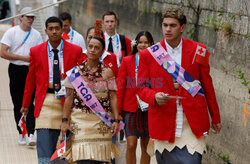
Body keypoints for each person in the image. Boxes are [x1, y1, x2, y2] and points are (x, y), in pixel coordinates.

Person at [137, 7, 222, 164]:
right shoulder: (148, 54)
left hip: (192, 122)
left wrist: (215, 117)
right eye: (165, 25)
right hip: (163, 121)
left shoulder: (199, 51)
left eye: (173, 25)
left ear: (182, 27)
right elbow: (141, 88)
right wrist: (153, 96)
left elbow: (208, 86)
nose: (168, 29)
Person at [20, 16, 83, 163]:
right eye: (51, 29)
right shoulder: (36, 51)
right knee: (43, 140)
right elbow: (30, 80)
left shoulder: (75, 51)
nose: (54, 31)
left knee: (65, 145)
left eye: (57, 28)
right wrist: (25, 104)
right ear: (46, 31)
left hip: (68, 100)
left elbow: (81, 79)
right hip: (45, 101)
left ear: (62, 30)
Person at [61, 35, 119, 164]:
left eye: (96, 48)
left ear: (102, 52)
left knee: (99, 160)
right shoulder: (75, 72)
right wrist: (65, 121)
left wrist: (115, 119)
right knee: (82, 159)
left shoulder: (108, 72)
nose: (92, 50)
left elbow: (113, 97)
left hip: (101, 122)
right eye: (90, 46)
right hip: (80, 122)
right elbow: (69, 99)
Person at [0, 7, 43, 146]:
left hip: (31, 71)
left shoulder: (36, 34)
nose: (30, 19)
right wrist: (23, 58)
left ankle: (31, 133)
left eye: (32, 17)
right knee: (17, 103)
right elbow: (3, 53)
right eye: (28, 17)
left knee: (30, 102)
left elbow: (40, 54)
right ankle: (21, 132)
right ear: (21, 17)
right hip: (15, 69)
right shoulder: (11, 32)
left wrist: (32, 60)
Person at [117, 31, 154, 164]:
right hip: (130, 108)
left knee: (146, 147)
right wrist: (119, 112)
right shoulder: (127, 60)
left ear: (151, 44)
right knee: (131, 144)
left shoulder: (156, 61)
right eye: (140, 42)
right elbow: (120, 87)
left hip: (148, 109)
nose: (143, 45)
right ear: (136, 44)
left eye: (146, 42)